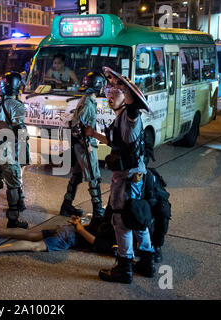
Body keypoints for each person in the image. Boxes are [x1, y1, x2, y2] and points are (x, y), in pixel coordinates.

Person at [85, 67, 155, 284]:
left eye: (116, 93)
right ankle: (146, 261)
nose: (110, 96)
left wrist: (127, 90)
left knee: (121, 220)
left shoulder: (130, 115)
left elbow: (134, 111)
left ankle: (124, 268)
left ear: (127, 97)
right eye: (109, 93)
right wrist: (93, 133)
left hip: (127, 178)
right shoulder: (121, 117)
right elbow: (117, 143)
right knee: (135, 217)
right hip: (131, 176)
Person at [0, 71, 30, 229]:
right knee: (14, 184)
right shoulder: (17, 106)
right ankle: (13, 219)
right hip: (9, 149)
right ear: (17, 86)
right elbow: (20, 129)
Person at [59, 71, 105, 219]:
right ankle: (98, 211)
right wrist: (87, 145)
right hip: (85, 146)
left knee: (77, 175)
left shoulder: (87, 100)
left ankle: (66, 206)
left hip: (80, 145)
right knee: (93, 177)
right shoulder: (88, 103)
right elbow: (78, 128)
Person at [0, 215, 116, 259]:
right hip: (69, 237)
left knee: (30, 235)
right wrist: (79, 228)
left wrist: (78, 224)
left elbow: (89, 227)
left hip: (67, 230)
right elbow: (94, 241)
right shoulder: (117, 239)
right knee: (35, 246)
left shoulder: (114, 221)